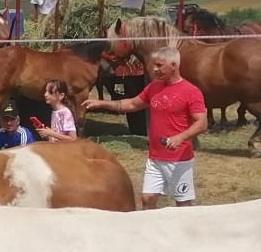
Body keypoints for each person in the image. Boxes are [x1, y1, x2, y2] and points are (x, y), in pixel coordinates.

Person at [83, 46, 208, 208]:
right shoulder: (154, 87)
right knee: (147, 199)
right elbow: (131, 104)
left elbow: (202, 123)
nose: (154, 69)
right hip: (155, 158)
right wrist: (102, 103)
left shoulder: (191, 92)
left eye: (159, 65)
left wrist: (180, 137)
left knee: (183, 203)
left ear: (174, 65)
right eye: (154, 65)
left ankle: (185, 231)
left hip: (179, 160)